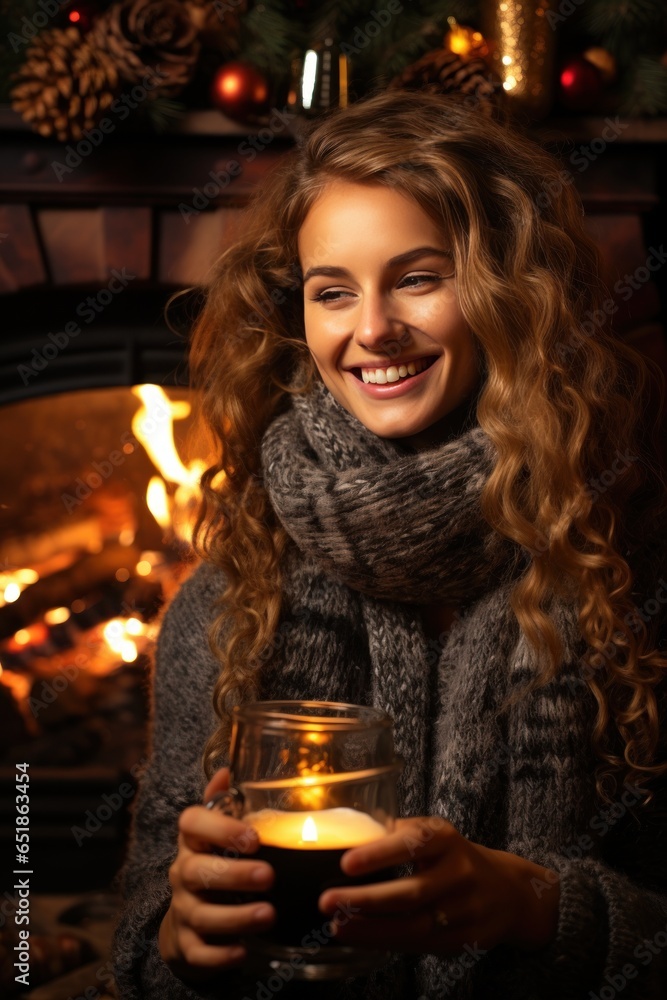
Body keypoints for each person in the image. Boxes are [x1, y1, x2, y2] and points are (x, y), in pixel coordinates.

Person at [111, 88, 667, 1000]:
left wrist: (534, 907)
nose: (370, 329)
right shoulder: (231, 593)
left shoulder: (630, 561)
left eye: (417, 277)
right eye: (332, 291)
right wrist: (182, 941)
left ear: (508, 293)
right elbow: (139, 957)